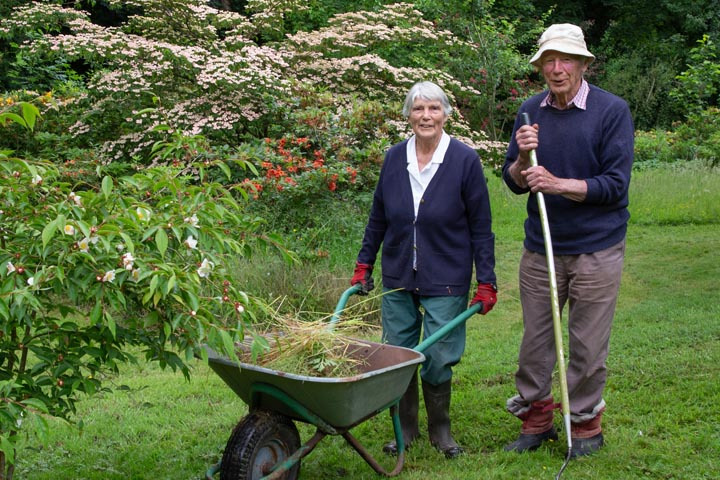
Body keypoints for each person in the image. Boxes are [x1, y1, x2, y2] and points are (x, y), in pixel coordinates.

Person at [502, 24, 634, 458]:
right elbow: (515, 181)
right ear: (540, 66)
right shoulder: (529, 111)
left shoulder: (611, 111)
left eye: (566, 60)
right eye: (549, 61)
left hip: (597, 247)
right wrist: (522, 160)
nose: (557, 69)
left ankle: (583, 424)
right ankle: (537, 420)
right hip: (542, 248)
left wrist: (558, 184)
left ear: (583, 64)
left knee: (587, 345)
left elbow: (615, 185)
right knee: (536, 343)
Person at [350, 80, 497, 459]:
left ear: (446, 114)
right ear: (408, 116)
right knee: (397, 355)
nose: (426, 116)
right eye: (418, 109)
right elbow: (378, 217)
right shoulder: (394, 158)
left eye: (433, 108)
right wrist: (364, 263)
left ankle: (440, 430)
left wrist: (487, 280)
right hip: (399, 273)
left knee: (437, 357)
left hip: (446, 274)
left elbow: (481, 227)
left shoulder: (464, 160)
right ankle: (407, 427)